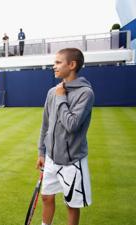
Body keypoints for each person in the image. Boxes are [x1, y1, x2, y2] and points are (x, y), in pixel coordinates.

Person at [36, 48, 94, 225]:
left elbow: (72, 125)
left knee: (71, 205)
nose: (54, 66)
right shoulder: (52, 92)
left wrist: (62, 98)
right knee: (46, 198)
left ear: (72, 65)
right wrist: (41, 152)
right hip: (51, 159)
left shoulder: (85, 93)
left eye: (58, 62)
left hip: (72, 161)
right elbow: (45, 124)